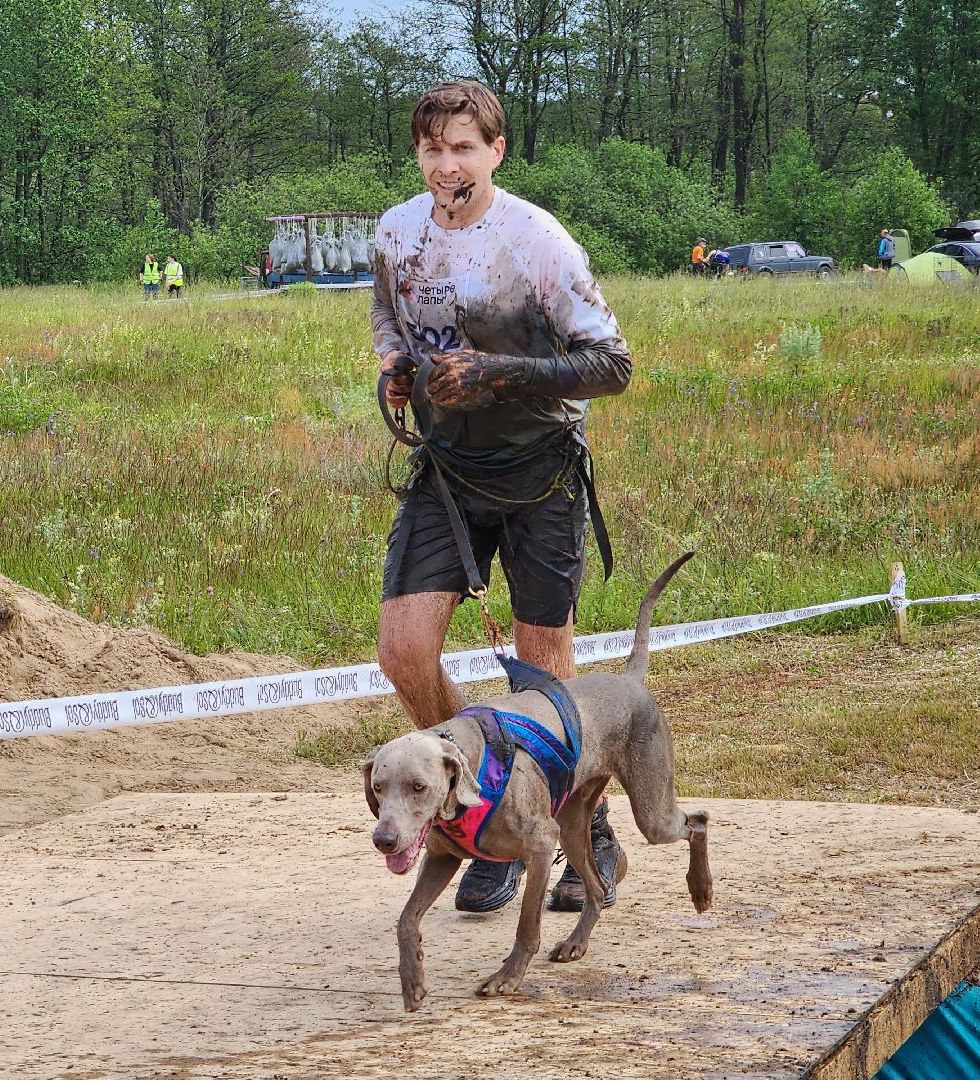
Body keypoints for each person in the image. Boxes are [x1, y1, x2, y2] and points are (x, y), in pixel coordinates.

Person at [372, 80, 633, 916]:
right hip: (448, 469)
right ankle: (474, 807)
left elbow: (613, 365)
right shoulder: (396, 231)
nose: (446, 164)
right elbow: (388, 318)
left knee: (541, 675)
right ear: (418, 154)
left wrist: (501, 373)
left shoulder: (536, 242)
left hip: (540, 470)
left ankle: (579, 831)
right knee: (404, 647)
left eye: (463, 148)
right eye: (432, 148)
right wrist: (395, 370)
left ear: (496, 152)